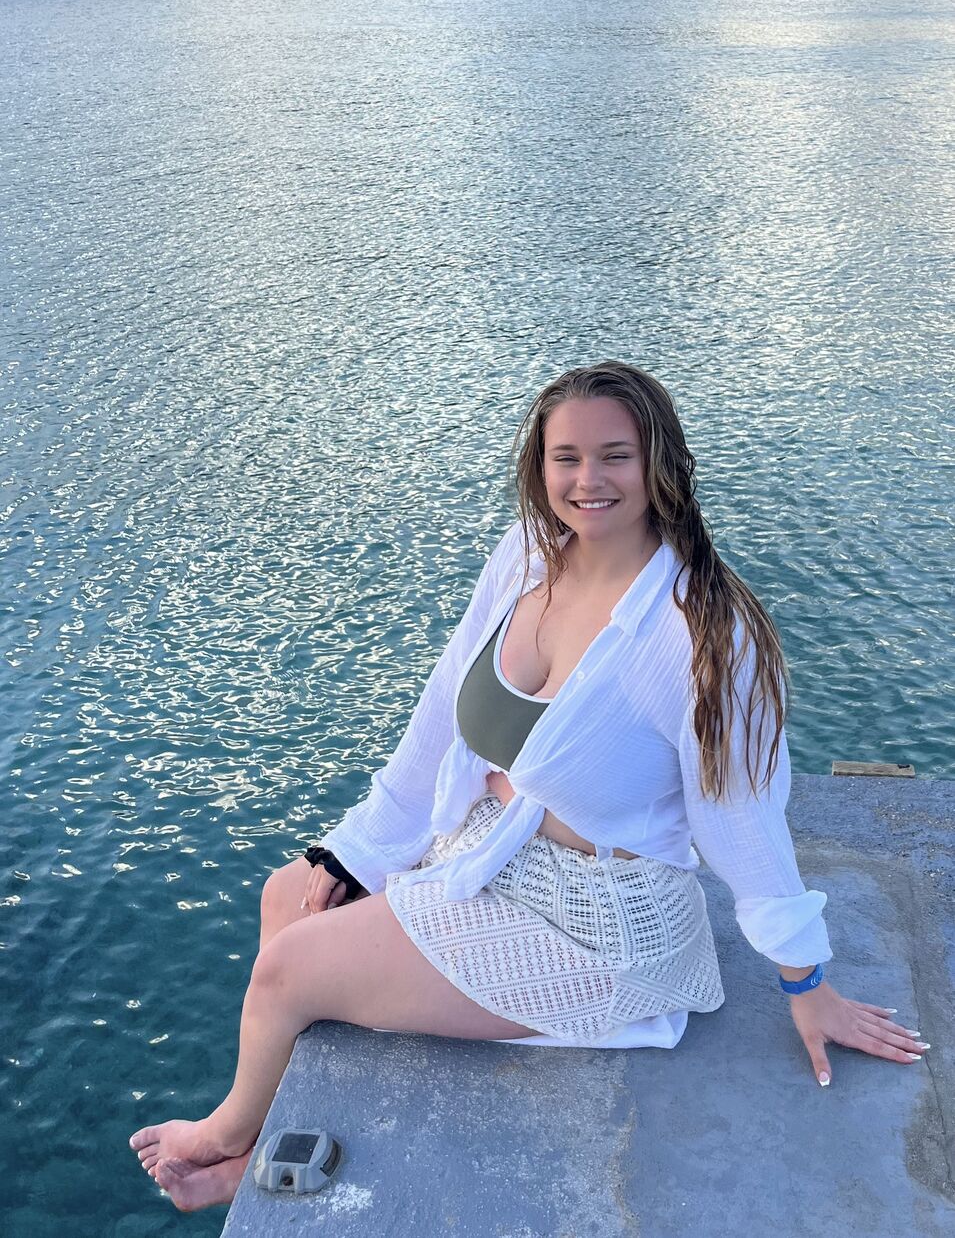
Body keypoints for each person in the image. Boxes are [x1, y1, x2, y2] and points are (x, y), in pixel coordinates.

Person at [131, 361, 925, 1212]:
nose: (589, 480)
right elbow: (439, 716)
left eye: (615, 456)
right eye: (566, 457)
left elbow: (742, 821)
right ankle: (264, 1113)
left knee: (288, 970)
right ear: (539, 467)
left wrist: (805, 984)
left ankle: (225, 1142)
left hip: (604, 924)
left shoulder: (696, 633)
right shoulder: (524, 558)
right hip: (491, 854)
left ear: (660, 466)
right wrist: (358, 847)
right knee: (291, 895)